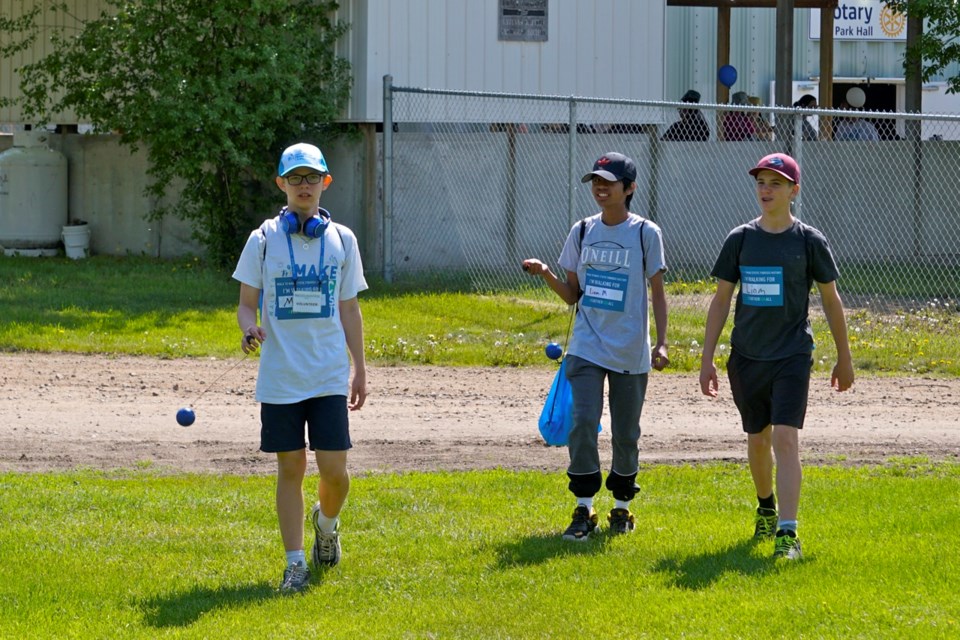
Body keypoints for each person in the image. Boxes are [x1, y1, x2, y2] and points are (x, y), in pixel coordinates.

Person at [698, 152, 854, 561]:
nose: (766, 190)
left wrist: (845, 356)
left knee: (785, 438)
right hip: (747, 356)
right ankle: (765, 506)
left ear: (793, 191)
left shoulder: (808, 241)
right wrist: (707, 358)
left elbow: (831, 300)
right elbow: (720, 301)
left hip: (792, 354)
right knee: (758, 440)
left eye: (776, 184)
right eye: (761, 183)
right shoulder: (740, 239)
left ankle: (788, 533)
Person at [232, 142, 368, 593]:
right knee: (290, 469)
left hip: (328, 374)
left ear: (326, 182)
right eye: (296, 178)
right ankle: (294, 564)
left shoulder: (343, 240)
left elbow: (349, 309)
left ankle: (326, 526)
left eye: (312, 178)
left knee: (335, 473)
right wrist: (249, 328)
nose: (304, 186)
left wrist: (360, 369)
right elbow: (246, 305)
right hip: (280, 378)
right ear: (282, 185)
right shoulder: (264, 239)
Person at [522, 152, 669, 541]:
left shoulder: (645, 233)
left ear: (630, 188)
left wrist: (664, 343)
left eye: (609, 181)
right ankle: (583, 508)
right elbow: (573, 296)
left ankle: (621, 508)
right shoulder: (582, 230)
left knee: (625, 432)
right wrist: (547, 274)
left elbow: (658, 292)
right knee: (583, 422)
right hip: (586, 346)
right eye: (595, 181)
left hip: (629, 350)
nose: (600, 188)